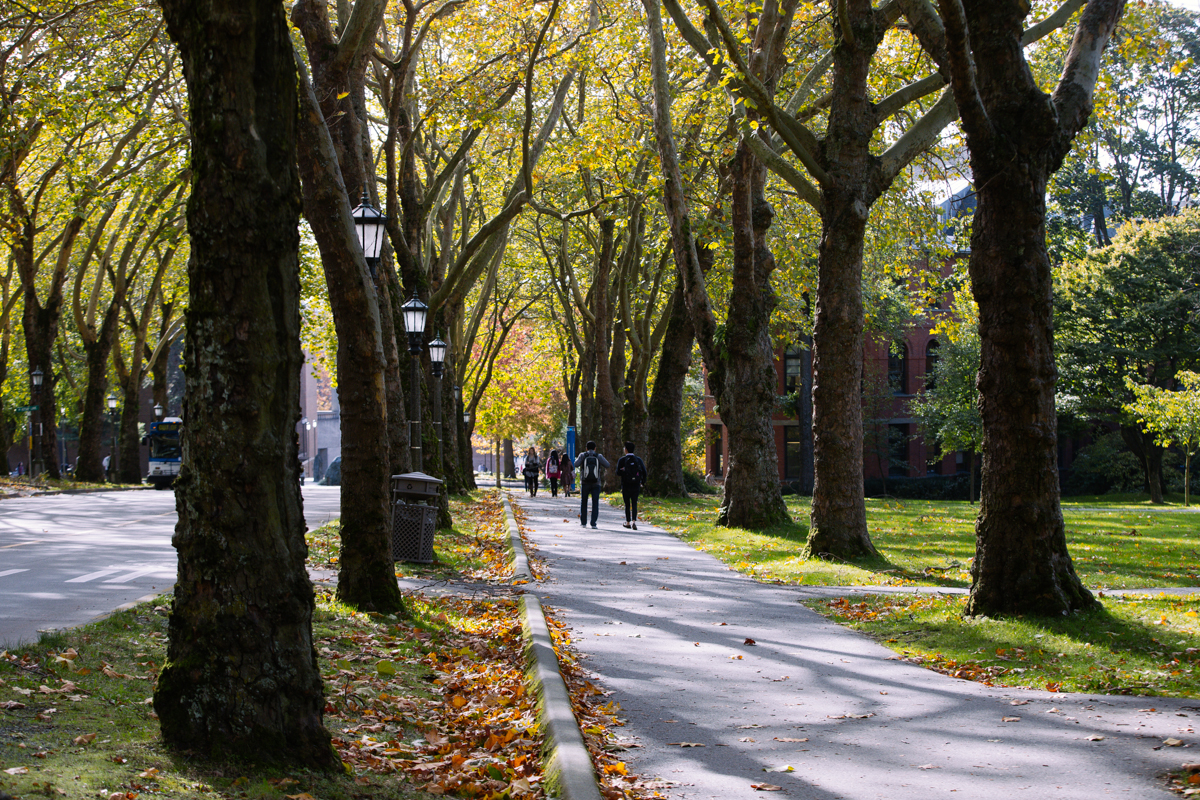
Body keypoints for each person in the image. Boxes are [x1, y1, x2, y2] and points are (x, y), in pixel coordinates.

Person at [574, 440, 610, 529]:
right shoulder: (599, 456)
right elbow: (607, 465)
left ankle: (583, 522)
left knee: (584, 502)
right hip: (596, 483)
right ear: (595, 448)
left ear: (586, 448)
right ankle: (593, 523)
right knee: (595, 502)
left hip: (585, 482)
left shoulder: (583, 455)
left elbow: (576, 464)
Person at [616, 441, 647, 529]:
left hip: (626, 485)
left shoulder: (622, 460)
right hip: (636, 485)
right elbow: (644, 472)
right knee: (634, 503)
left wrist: (623, 471)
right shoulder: (638, 460)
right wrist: (642, 482)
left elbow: (617, 472)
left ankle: (628, 522)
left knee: (627, 504)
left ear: (625, 450)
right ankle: (634, 521)